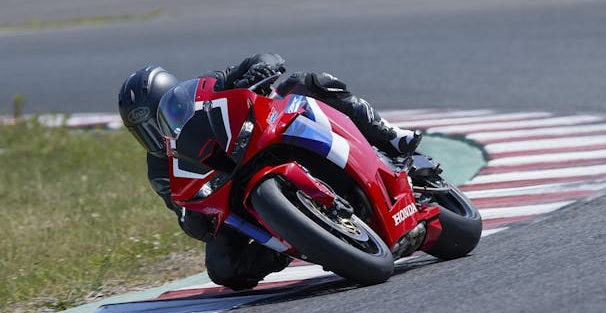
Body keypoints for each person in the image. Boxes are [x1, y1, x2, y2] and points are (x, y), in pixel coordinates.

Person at [118, 54, 421, 290]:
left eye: (158, 121)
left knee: (307, 83)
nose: (155, 135)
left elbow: (263, 58)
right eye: (143, 131)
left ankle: (390, 135)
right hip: (229, 191)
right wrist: (193, 219)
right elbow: (182, 210)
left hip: (264, 135)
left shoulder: (206, 87)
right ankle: (299, 243)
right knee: (223, 269)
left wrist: (259, 70)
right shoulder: (159, 168)